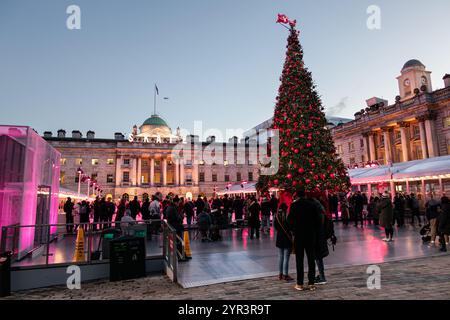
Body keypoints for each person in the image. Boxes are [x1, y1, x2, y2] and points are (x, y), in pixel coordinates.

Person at [287, 189, 321, 291]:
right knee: (311, 259)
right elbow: (317, 220)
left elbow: (289, 221)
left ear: (297, 195)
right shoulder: (312, 205)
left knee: (299, 260)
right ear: (305, 195)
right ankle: (311, 283)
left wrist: (293, 229)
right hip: (310, 235)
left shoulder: (294, 206)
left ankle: (300, 283)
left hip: (299, 236)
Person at [312, 197, 332, 285]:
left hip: (317, 239)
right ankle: (321, 276)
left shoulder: (316, 216)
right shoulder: (323, 214)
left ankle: (322, 277)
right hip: (322, 239)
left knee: (318, 258)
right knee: (319, 259)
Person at [274, 203, 293, 281]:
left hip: (279, 238)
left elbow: (275, 227)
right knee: (286, 257)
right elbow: (290, 227)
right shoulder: (287, 216)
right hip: (287, 238)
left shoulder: (276, 216)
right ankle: (285, 274)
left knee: (280, 257)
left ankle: (280, 274)